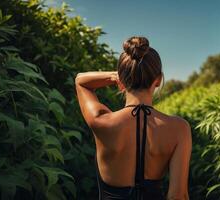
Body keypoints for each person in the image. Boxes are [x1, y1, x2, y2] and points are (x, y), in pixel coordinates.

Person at [75, 36, 192, 200]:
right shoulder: (179, 129)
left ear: (121, 80)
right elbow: (178, 195)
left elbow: (81, 81)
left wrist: (116, 75)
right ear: (157, 80)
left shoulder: (101, 120)